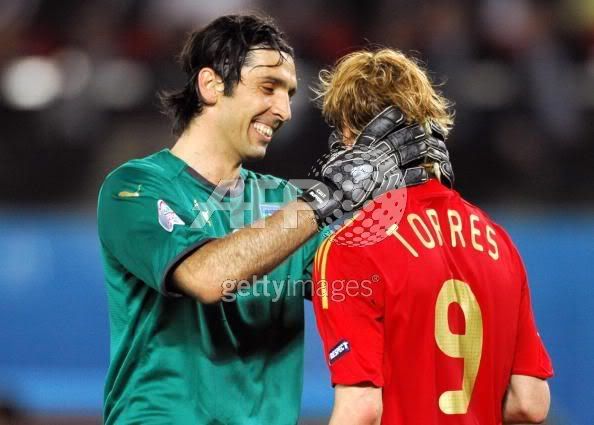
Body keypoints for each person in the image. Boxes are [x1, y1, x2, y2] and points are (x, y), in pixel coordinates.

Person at [96, 15, 448, 424]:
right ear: (210, 85)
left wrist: (420, 193)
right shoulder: (135, 188)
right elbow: (206, 277)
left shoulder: (284, 201)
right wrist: (327, 197)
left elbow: (377, 288)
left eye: (289, 94)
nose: (284, 111)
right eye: (268, 88)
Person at [311, 48, 554, 425]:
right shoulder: (498, 241)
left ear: (348, 135)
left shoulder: (352, 245)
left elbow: (361, 408)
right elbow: (530, 402)